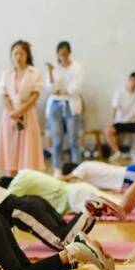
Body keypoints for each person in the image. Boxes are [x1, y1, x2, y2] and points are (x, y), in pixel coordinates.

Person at [2, 161, 135, 218]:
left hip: (76, 196)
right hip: (78, 192)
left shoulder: (17, 184)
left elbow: (5, 203)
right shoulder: (25, 174)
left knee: (122, 209)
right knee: (125, 209)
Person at [0, 40, 44, 176]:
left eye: (21, 53)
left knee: (28, 150)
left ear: (27, 55)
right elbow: (3, 95)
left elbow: (35, 95)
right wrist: (12, 112)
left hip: (27, 114)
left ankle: (27, 181)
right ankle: (11, 180)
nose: (18, 57)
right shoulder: (6, 74)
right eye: (15, 53)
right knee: (10, 149)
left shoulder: (34, 72)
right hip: (9, 116)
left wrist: (19, 112)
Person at [45, 41, 84, 177]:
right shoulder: (53, 68)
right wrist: (50, 72)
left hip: (71, 105)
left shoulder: (77, 67)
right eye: (61, 55)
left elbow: (76, 87)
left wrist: (64, 90)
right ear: (57, 54)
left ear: (69, 53)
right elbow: (50, 88)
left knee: (73, 139)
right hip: (56, 105)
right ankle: (57, 167)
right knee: (57, 139)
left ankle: (76, 168)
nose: (64, 57)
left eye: (66, 54)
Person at [104, 72, 135, 163]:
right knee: (107, 130)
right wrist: (111, 124)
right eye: (132, 81)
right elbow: (114, 110)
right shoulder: (119, 92)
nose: (133, 84)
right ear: (128, 80)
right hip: (120, 122)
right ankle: (117, 153)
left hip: (134, 122)